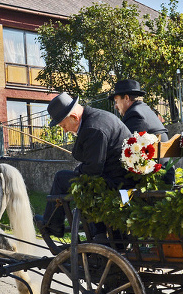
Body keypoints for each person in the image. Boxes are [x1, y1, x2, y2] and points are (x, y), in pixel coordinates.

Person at [35, 92, 132, 237]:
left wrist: (78, 169)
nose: (65, 130)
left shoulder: (93, 128)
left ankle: (52, 225)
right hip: (121, 179)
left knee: (61, 178)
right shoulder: (97, 117)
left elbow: (93, 170)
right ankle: (94, 231)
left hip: (117, 185)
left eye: (64, 125)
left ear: (74, 117)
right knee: (70, 177)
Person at [110, 79, 175, 185]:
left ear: (126, 98)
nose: (115, 106)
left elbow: (123, 148)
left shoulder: (135, 114)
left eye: (116, 101)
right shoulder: (145, 110)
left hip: (157, 179)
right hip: (165, 174)